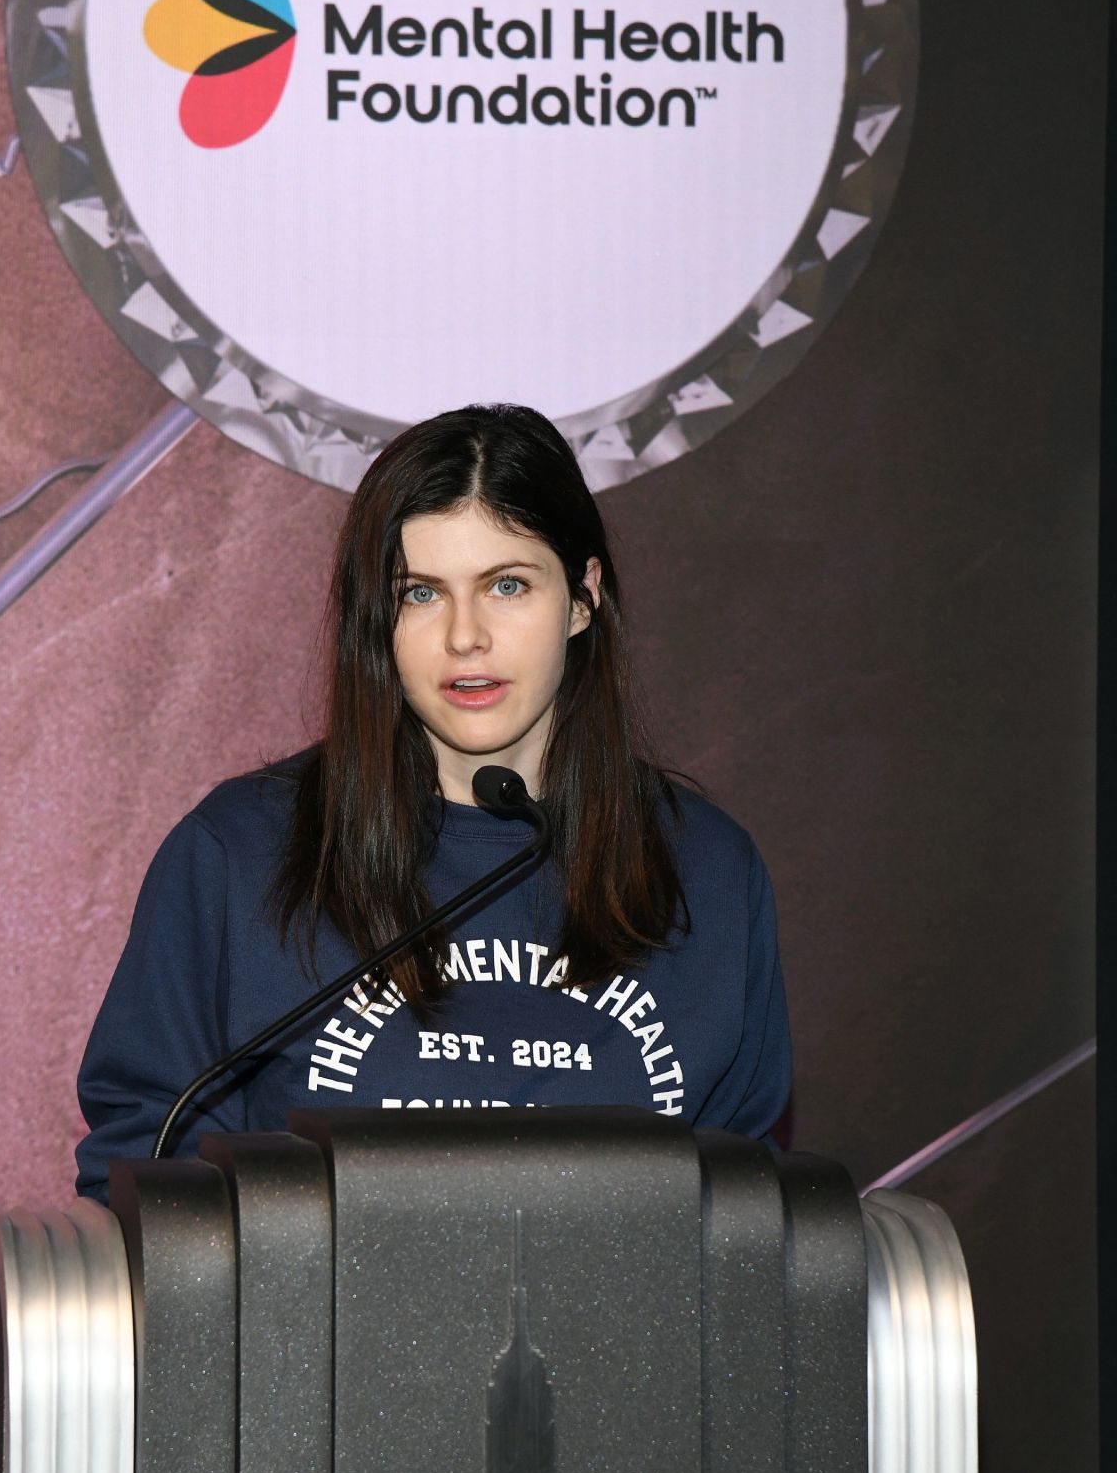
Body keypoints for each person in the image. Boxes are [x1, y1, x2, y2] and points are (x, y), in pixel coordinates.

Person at [74, 403, 790, 1199]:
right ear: (377, 619)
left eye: (507, 585)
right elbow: (143, 1172)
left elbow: (741, 1209)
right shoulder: (238, 855)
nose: (464, 637)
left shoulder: (710, 870)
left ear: (584, 598)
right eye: (420, 594)